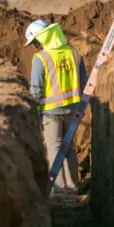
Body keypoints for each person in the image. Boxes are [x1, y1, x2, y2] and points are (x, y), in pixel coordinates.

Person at [25, 18, 87, 191]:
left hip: (50, 111)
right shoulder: (74, 52)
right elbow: (84, 82)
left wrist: (32, 112)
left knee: (54, 148)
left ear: (41, 39)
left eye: (36, 41)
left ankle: (59, 189)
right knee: (69, 148)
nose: (36, 45)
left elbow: (35, 90)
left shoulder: (41, 58)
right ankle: (74, 186)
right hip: (73, 107)